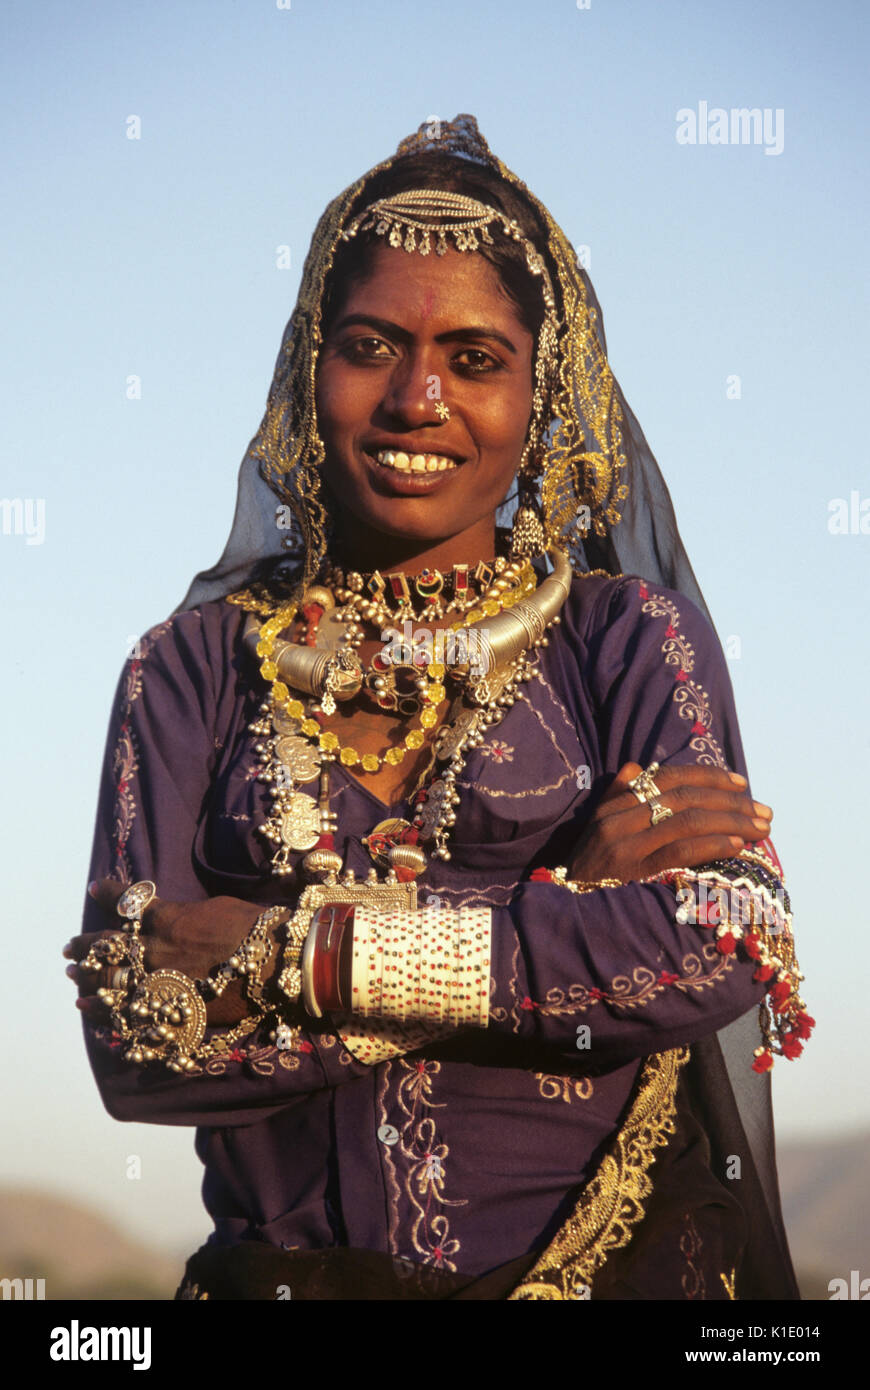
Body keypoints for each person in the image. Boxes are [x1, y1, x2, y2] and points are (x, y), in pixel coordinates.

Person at [66, 115, 811, 1301]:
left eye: (475, 359)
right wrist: (561, 913)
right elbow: (135, 1038)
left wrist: (294, 953)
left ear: (540, 391)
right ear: (309, 369)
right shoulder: (191, 668)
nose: (419, 399)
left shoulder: (626, 638)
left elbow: (723, 939)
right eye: (371, 347)